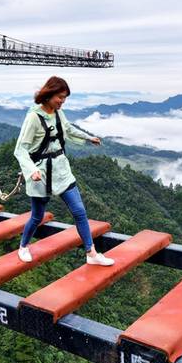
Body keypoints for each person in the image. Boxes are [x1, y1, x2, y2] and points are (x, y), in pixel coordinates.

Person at [14, 76, 114, 266]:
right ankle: (23, 246)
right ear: (49, 94)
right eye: (60, 97)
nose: (62, 101)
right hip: (41, 173)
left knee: (79, 211)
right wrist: (31, 171)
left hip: (61, 169)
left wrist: (88, 138)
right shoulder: (33, 118)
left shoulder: (58, 113)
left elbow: (67, 129)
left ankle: (91, 253)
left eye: (65, 98)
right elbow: (20, 149)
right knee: (37, 216)